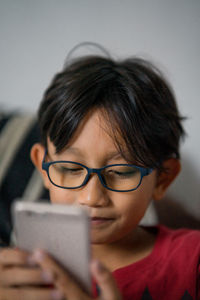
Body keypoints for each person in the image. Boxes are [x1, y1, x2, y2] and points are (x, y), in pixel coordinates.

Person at [0, 51, 199, 300]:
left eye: (120, 172)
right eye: (71, 169)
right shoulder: (18, 274)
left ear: (162, 178)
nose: (92, 197)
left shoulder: (193, 262)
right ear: (43, 167)